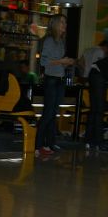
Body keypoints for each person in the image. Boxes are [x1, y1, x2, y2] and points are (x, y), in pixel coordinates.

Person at [37, 13, 75, 155]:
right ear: (55, 24)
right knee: (48, 114)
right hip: (51, 79)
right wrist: (62, 61)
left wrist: (66, 63)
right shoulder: (49, 40)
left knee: (53, 114)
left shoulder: (61, 41)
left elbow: (56, 62)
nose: (65, 25)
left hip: (60, 79)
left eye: (65, 22)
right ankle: (38, 145)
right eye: (62, 22)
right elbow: (43, 62)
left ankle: (50, 144)